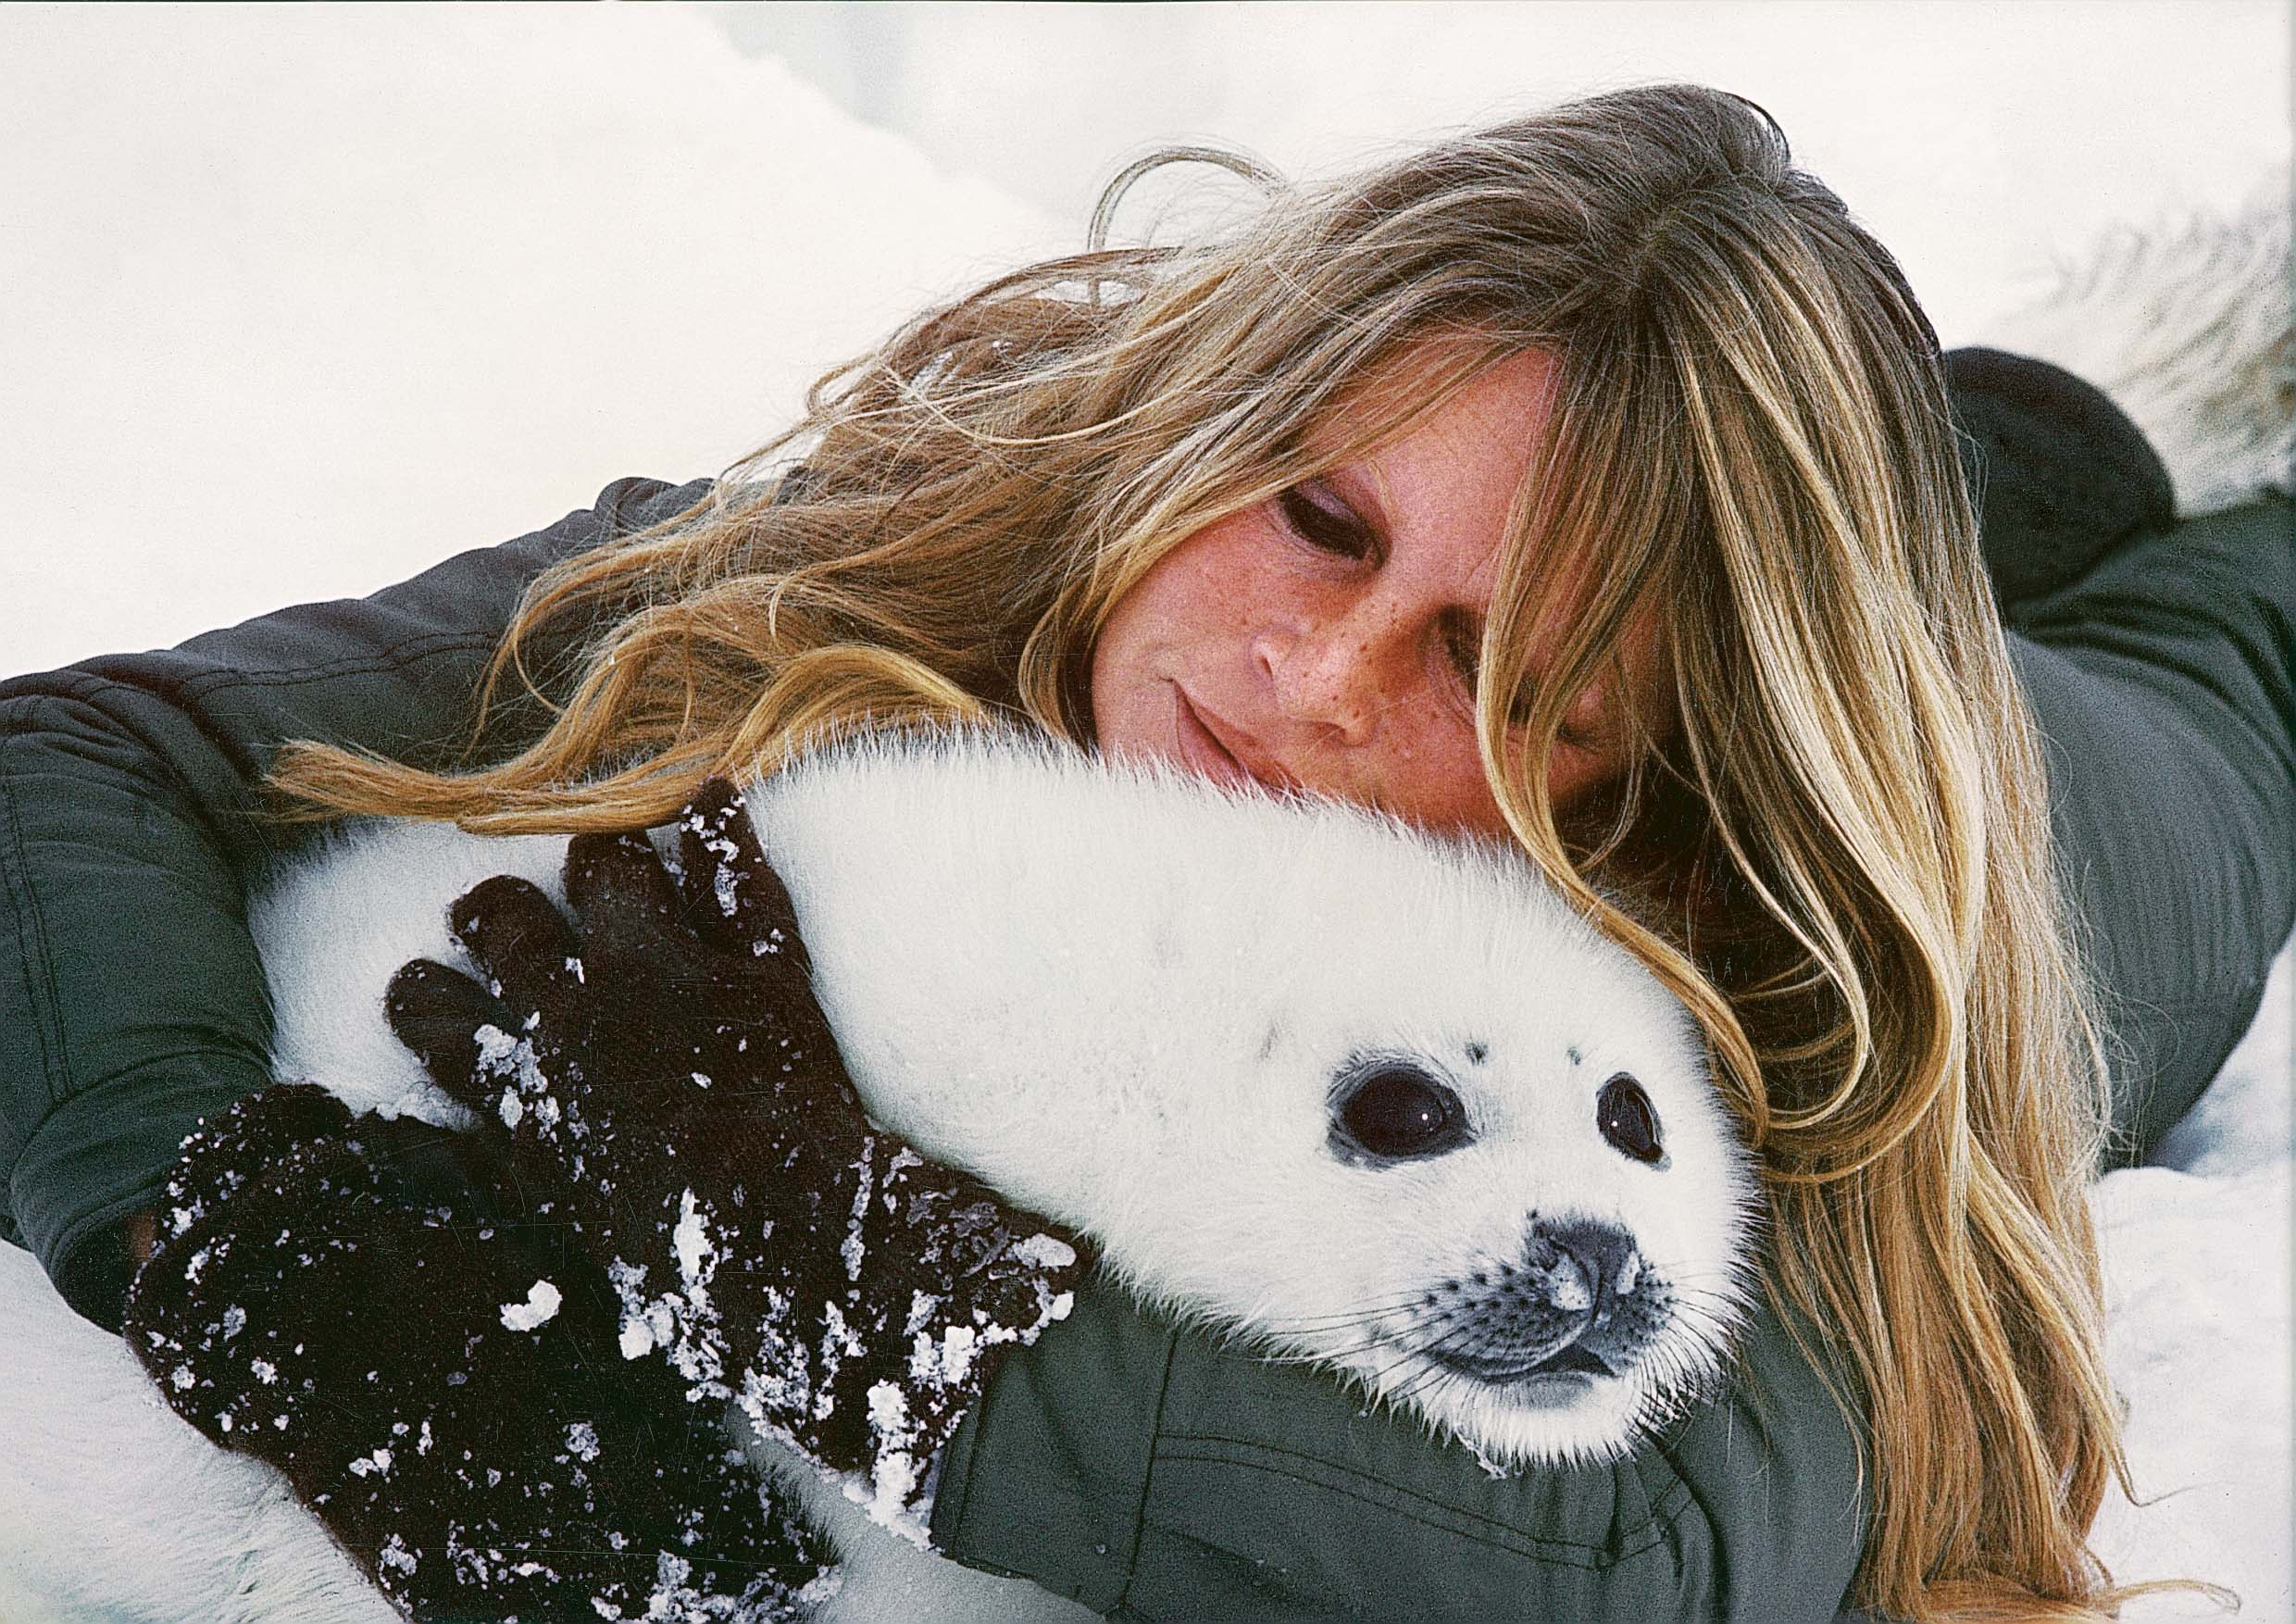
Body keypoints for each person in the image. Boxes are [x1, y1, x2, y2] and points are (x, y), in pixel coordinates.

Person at [1, 82, 2289, 1622]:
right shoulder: (912, 547)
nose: (1310, 683)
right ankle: (2024, 420)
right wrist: (235, 1232)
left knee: (2228, 636)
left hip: (2095, 784)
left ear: (1643, 775)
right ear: (1221, 410)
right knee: (1753, 462)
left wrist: (881, 1304)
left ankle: (2180, 454)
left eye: (1504, 685)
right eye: (1316, 514)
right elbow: (72, 759)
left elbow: (1672, 1528)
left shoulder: (1806, 915)